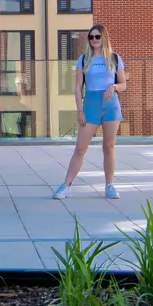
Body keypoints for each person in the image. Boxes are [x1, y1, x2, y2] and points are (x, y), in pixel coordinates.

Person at [53, 25, 127, 200]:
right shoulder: (84, 59)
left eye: (97, 36)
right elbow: (78, 87)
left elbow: (123, 84)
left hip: (110, 106)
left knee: (109, 147)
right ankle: (66, 186)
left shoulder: (115, 58)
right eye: (91, 37)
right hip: (91, 105)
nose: (94, 40)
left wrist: (114, 86)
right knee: (80, 148)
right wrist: (80, 111)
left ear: (104, 37)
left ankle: (109, 185)